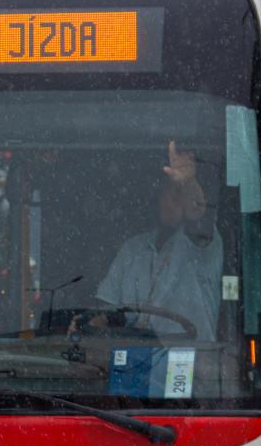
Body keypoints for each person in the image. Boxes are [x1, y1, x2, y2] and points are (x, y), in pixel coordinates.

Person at [94, 141, 223, 341]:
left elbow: (197, 217)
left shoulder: (201, 242)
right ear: (158, 197)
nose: (176, 202)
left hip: (194, 357)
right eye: (172, 194)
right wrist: (93, 324)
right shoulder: (132, 249)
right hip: (135, 356)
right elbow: (109, 311)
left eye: (182, 195)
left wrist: (188, 183)